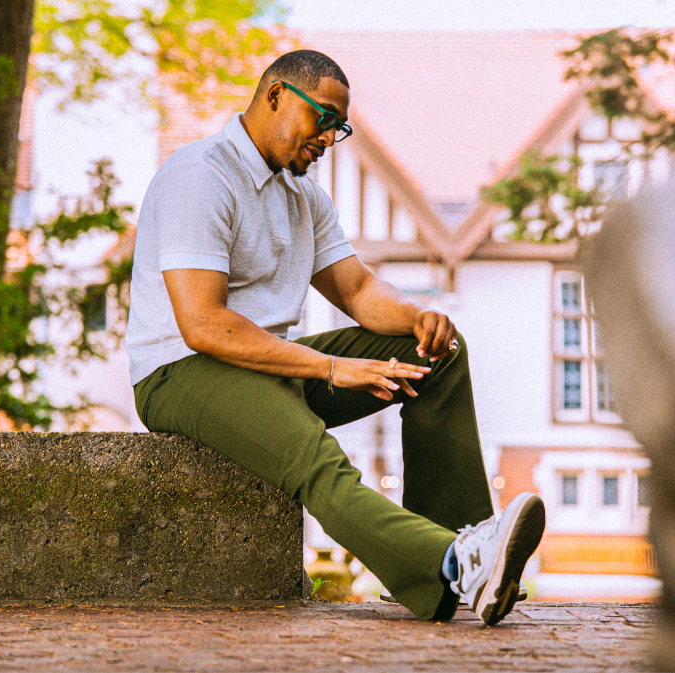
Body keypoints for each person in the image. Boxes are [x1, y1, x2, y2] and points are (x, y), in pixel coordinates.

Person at [125, 49, 545, 625]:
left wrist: (417, 316)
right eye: (322, 117)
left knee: (437, 355)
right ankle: (449, 563)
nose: (328, 137)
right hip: (179, 372)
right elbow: (203, 324)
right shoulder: (199, 176)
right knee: (314, 454)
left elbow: (358, 289)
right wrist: (328, 367)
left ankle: (468, 549)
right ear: (275, 95)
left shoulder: (304, 197)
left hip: (268, 365)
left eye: (338, 127)